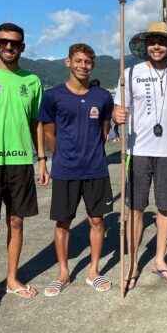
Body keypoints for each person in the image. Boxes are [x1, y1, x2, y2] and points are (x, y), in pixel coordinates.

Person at [113, 22, 167, 288]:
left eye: (161, 42)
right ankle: (133, 262)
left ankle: (159, 260)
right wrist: (118, 116)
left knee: (165, 207)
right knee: (136, 208)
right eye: (152, 41)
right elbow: (118, 110)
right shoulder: (130, 73)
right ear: (145, 46)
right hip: (137, 151)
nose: (156, 46)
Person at [0, 23, 47, 316]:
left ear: (23, 46)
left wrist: (42, 159)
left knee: (17, 223)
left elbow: (36, 123)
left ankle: (11, 279)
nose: (10, 48)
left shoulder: (32, 81)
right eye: (5, 42)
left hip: (21, 161)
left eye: (16, 44)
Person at [39, 44, 114, 296]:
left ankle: (94, 271)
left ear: (93, 65)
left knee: (97, 220)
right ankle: (63, 273)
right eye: (78, 61)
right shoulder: (53, 96)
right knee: (63, 222)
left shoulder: (103, 96)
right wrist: (60, 155)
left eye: (88, 62)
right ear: (67, 62)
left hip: (95, 169)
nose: (83, 66)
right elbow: (49, 132)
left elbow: (104, 130)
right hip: (65, 169)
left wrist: (91, 150)